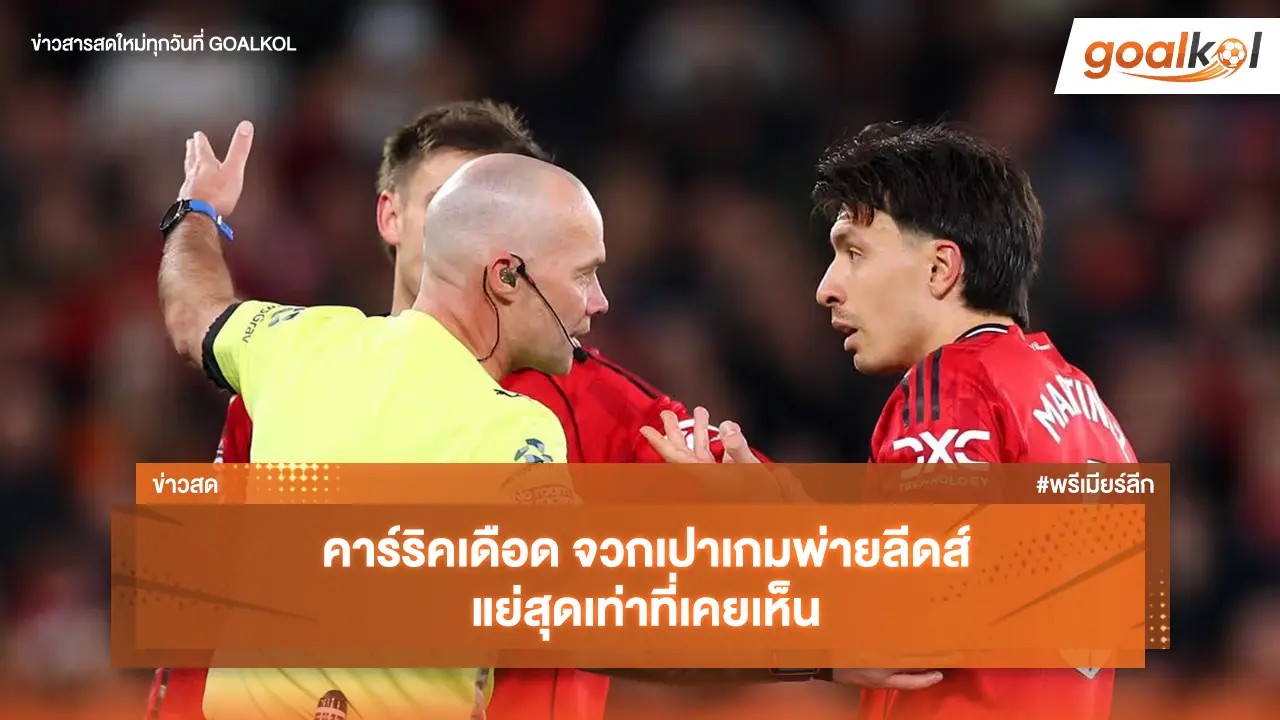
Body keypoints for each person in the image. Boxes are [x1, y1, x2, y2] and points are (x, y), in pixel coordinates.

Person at [147, 102, 770, 720]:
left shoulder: (297, 345)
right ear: (504, 274)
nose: (600, 301)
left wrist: (196, 212)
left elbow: (193, 309)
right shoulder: (516, 429)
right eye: (583, 275)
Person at [644, 120, 1135, 719]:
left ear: (940, 269)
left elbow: (914, 614)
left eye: (855, 252)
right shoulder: (1084, 403)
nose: (827, 288)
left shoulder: (952, 383)